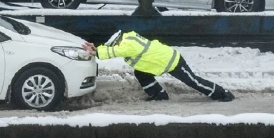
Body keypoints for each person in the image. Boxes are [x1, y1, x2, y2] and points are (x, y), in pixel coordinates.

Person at [85, 30, 234, 102]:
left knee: (193, 81)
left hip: (173, 61)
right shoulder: (127, 37)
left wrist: (96, 52)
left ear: (118, 41)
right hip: (161, 62)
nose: (115, 45)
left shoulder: (129, 44)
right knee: (141, 73)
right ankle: (159, 94)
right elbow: (114, 48)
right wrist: (98, 47)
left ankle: (222, 93)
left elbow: (116, 51)